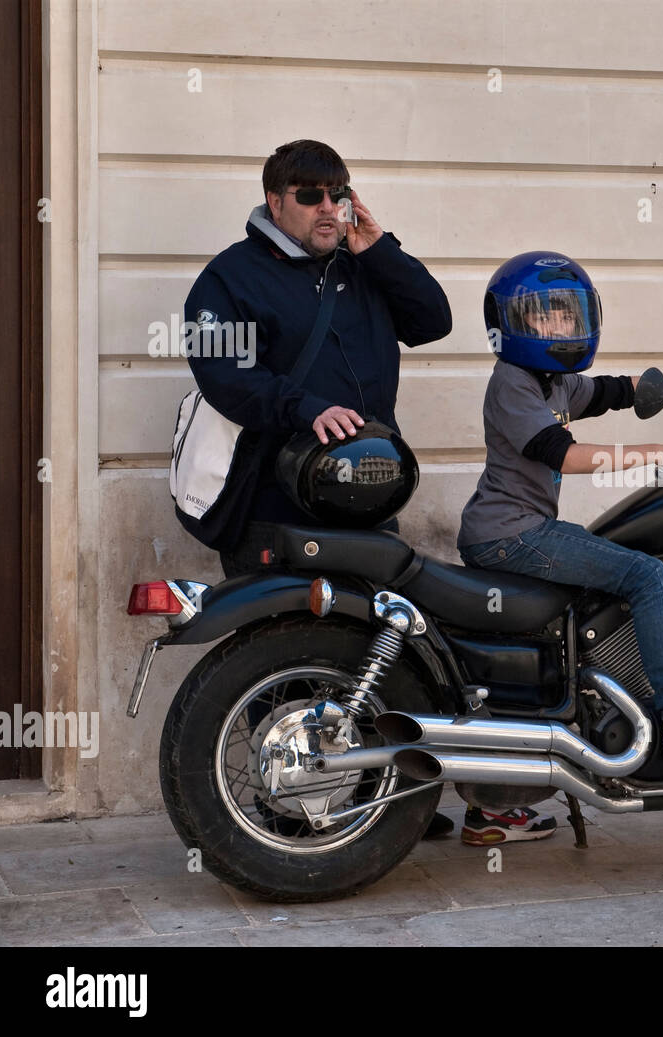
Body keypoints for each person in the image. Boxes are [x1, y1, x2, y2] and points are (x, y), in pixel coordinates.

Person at [180, 139, 464, 837]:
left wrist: (380, 247)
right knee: (280, 652)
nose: (329, 207)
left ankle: (378, 800)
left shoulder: (362, 265)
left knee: (373, 652)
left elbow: (434, 321)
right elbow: (224, 374)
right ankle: (293, 809)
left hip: (365, 498)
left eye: (338, 192)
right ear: (276, 200)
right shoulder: (231, 276)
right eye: (312, 196)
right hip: (270, 503)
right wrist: (303, 406)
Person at [457, 251, 663, 777]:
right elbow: (566, 455)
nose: (559, 324)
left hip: (525, 530)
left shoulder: (552, 380)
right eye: (544, 314)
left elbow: (619, 390)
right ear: (510, 324)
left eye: (566, 313)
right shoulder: (513, 381)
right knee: (645, 575)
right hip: (509, 535)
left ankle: (500, 810)